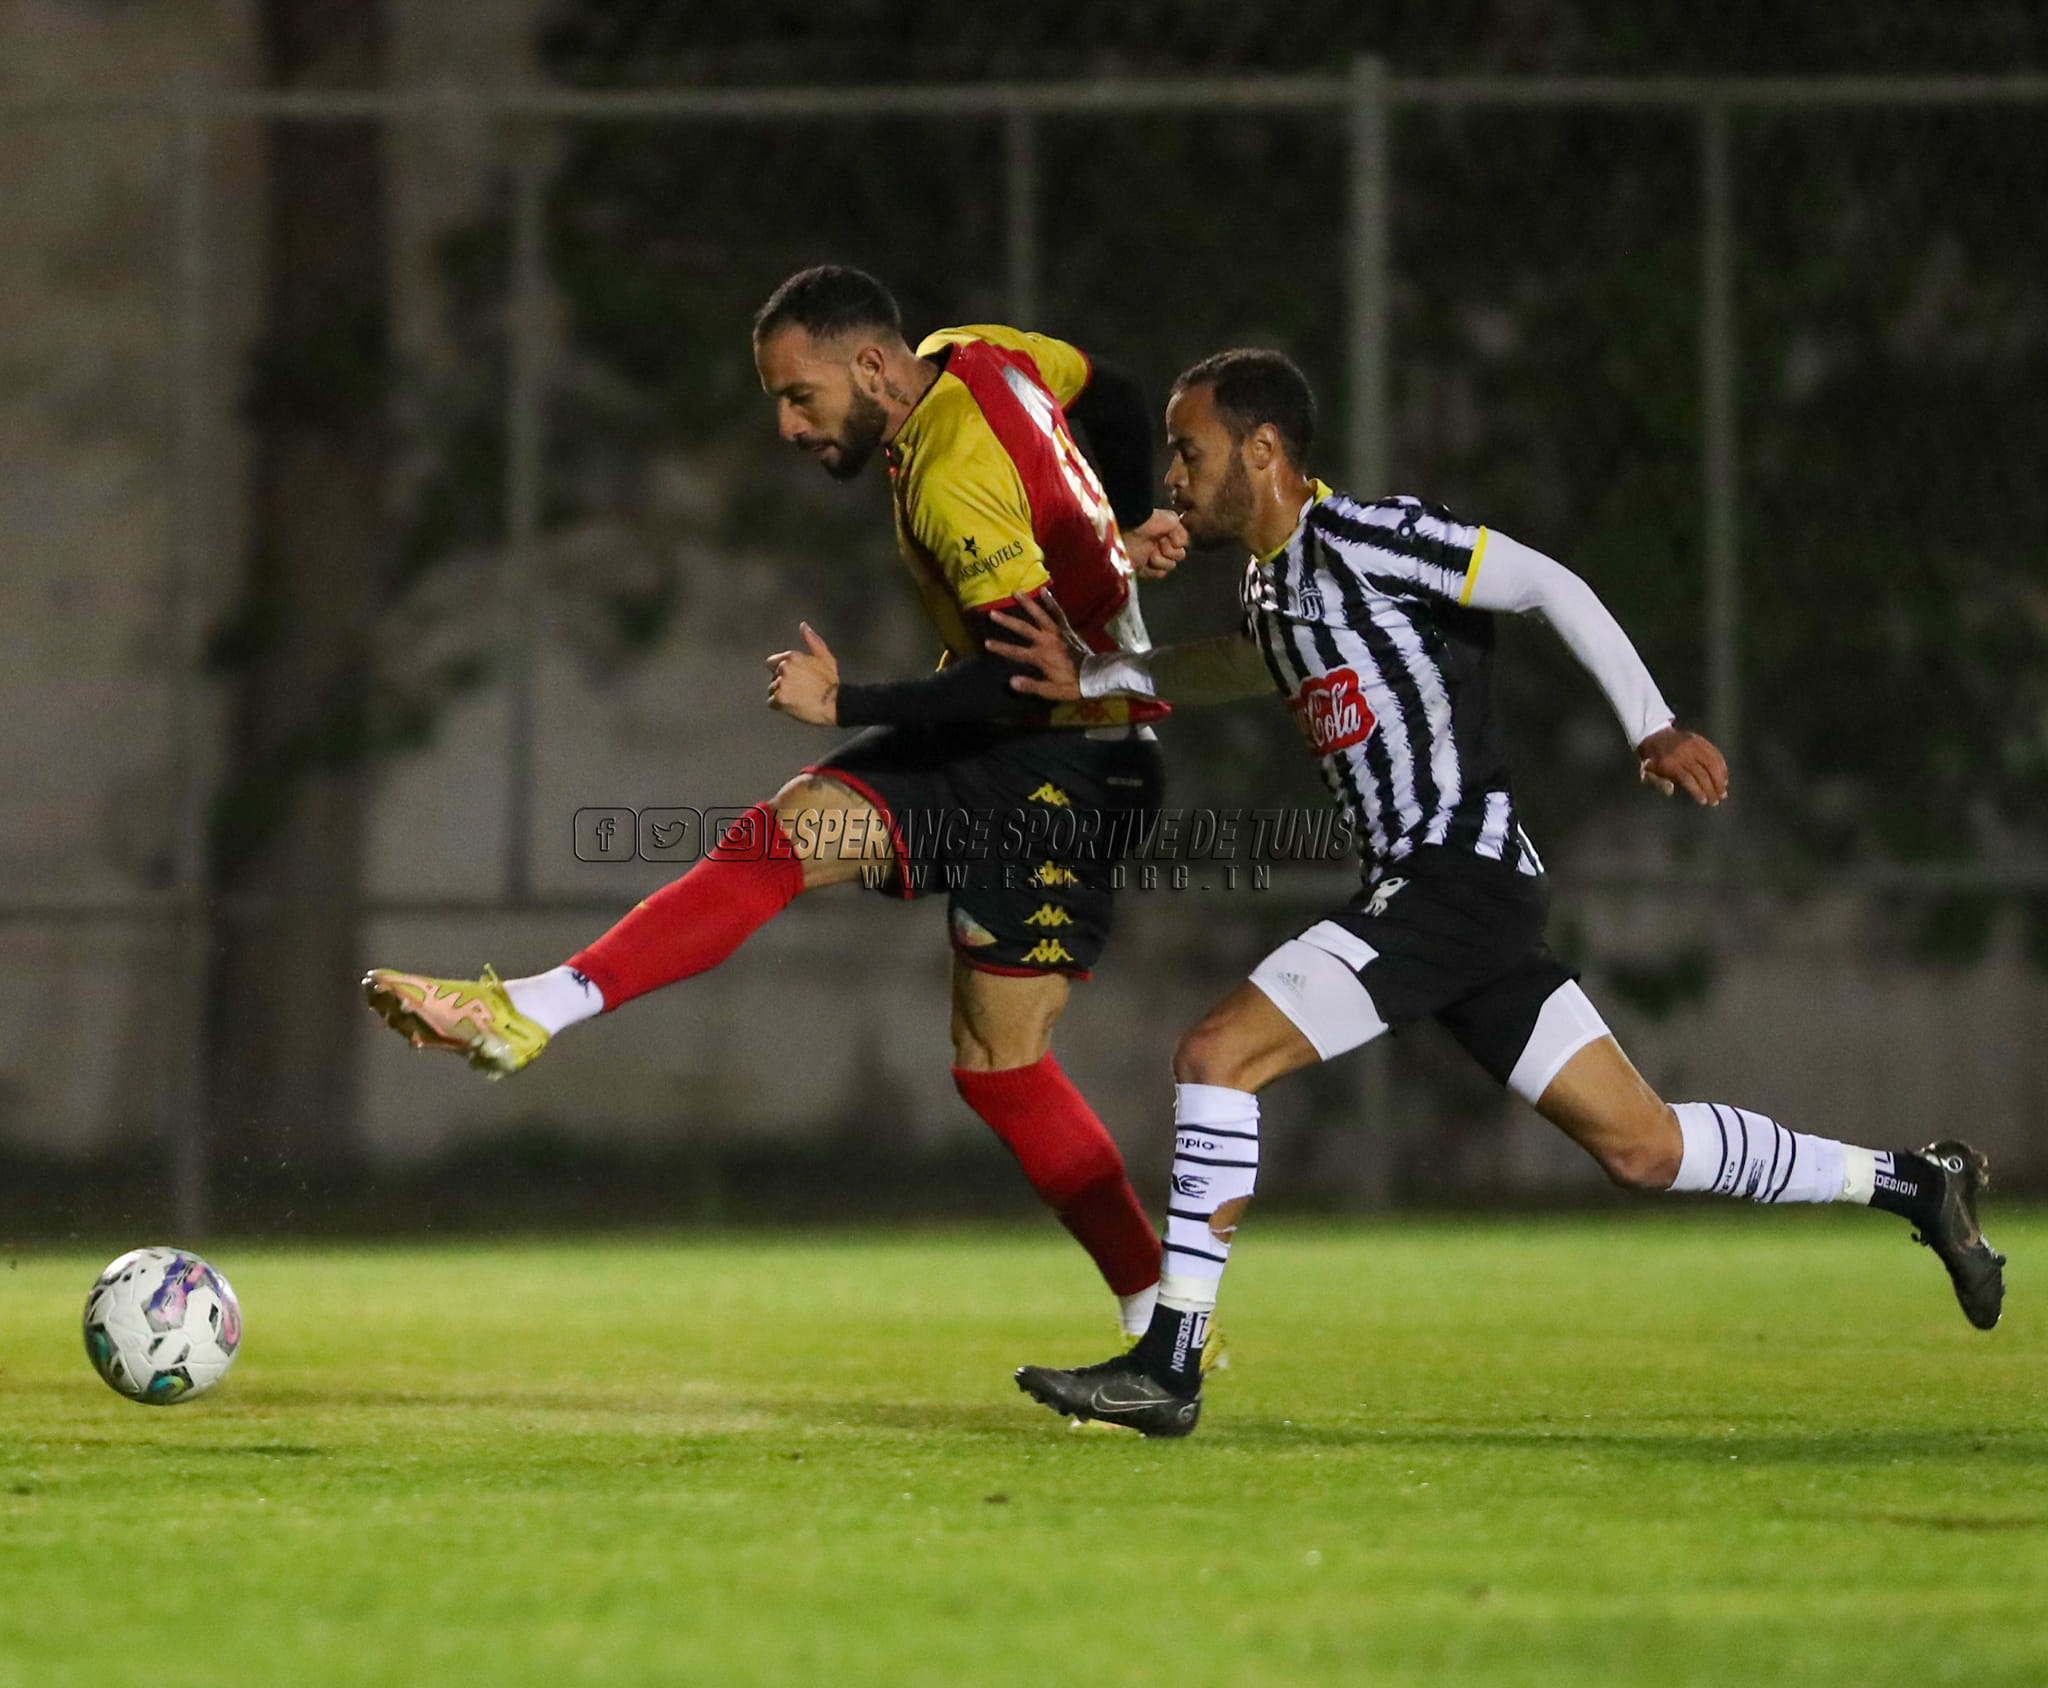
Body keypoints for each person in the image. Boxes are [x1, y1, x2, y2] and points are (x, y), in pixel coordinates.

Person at [994, 348, 2006, 1437]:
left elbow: (1545, 584)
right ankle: (1915, 1182)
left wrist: (1651, 723)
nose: (1174, 478)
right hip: (1450, 896)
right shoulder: (1272, 584)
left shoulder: (1371, 536)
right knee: (1643, 1147)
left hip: (1452, 877)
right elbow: (1247, 665)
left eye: (1188, 453)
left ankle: (1169, 1362)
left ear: (1265, 450)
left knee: (1213, 1054)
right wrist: (1103, 678)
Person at [362, 265, 1199, 1344]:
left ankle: (1161, 1315)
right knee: (841, 901)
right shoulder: (980, 351)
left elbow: (1012, 677)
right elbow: (1114, 391)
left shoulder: (948, 467)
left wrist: (841, 698)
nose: (787, 425)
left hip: (1067, 766)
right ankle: (529, 1008)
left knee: (998, 1060)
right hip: (1028, 743)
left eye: (798, 396)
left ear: (869, 365)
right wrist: (1122, 520)